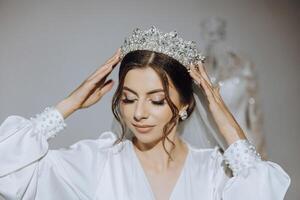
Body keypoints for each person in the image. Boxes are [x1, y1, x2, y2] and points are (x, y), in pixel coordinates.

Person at [0, 26, 290, 200]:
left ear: (186, 104)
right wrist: (69, 104)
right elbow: (6, 169)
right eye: (128, 98)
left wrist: (219, 111)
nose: (138, 113)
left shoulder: (214, 171)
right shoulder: (99, 161)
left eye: (157, 101)